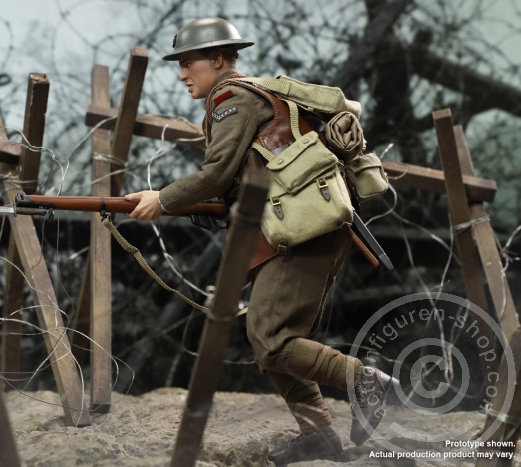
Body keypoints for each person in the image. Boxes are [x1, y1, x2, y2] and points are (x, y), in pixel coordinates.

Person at [125, 17, 397, 465]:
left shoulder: (231, 97)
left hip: (301, 231)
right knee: (270, 340)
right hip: (295, 229)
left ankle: (364, 379)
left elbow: (216, 172)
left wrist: (164, 199)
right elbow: (245, 177)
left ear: (218, 59)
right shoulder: (252, 96)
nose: (181, 73)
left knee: (271, 338)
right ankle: (319, 436)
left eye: (189, 62)